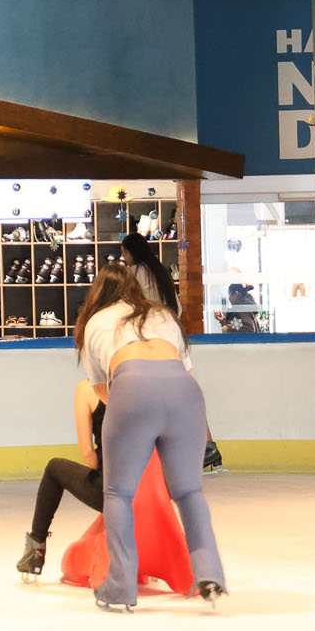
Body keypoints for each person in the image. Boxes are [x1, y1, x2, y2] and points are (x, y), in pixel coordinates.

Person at [76, 262, 226, 611]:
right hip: (185, 391)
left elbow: (103, 390)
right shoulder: (163, 315)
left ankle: (121, 585)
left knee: (118, 492)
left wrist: (135, 427)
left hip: (131, 386)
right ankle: (209, 572)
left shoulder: (96, 321)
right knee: (189, 491)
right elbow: (186, 370)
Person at [121, 232, 225, 475]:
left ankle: (150, 455)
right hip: (173, 334)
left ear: (130, 252)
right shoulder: (160, 272)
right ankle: (208, 447)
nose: (123, 258)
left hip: (150, 340)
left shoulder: (135, 273)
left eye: (124, 253)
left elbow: (129, 309)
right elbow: (177, 308)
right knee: (183, 393)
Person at [15, 375, 107, 579]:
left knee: (54, 468)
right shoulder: (138, 385)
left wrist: (103, 469)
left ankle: (35, 549)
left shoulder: (87, 389)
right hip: (145, 488)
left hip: (111, 489)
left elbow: (87, 452)